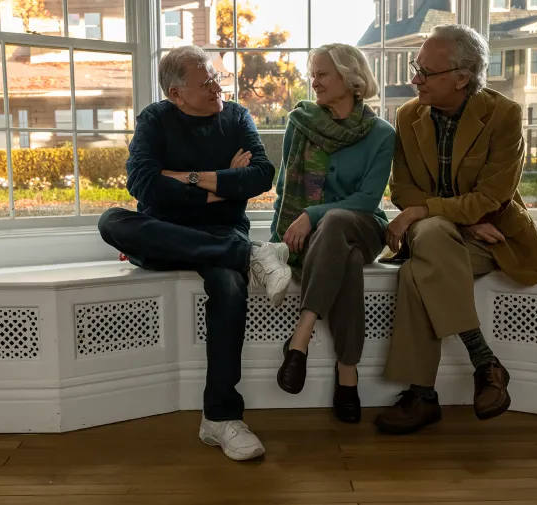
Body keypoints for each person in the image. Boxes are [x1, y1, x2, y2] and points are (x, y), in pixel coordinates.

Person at [97, 45, 292, 460]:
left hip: (223, 233)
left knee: (227, 284)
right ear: (175, 93)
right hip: (164, 233)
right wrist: (220, 186)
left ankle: (220, 419)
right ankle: (250, 256)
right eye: (205, 83)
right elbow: (143, 185)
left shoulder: (236, 116)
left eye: (216, 79)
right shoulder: (155, 118)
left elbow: (261, 175)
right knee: (111, 221)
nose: (216, 87)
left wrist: (185, 180)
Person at [374, 25, 537, 435]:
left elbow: (492, 196)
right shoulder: (407, 116)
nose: (414, 79)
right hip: (453, 233)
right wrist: (458, 220)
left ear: (462, 77)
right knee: (434, 233)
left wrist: (438, 215)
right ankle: (484, 361)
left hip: (492, 237)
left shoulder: (504, 115)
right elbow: (402, 188)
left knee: (413, 272)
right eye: (415, 67)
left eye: (425, 71)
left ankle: (422, 395)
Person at [271, 43, 395, 424]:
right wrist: (282, 242)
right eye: (314, 73)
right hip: (323, 242)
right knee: (349, 262)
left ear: (350, 78)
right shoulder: (301, 121)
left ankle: (300, 338)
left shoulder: (382, 133)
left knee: (339, 221)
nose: (314, 81)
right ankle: (348, 375)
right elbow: (284, 187)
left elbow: (367, 198)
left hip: (363, 225)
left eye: (323, 74)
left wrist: (312, 214)